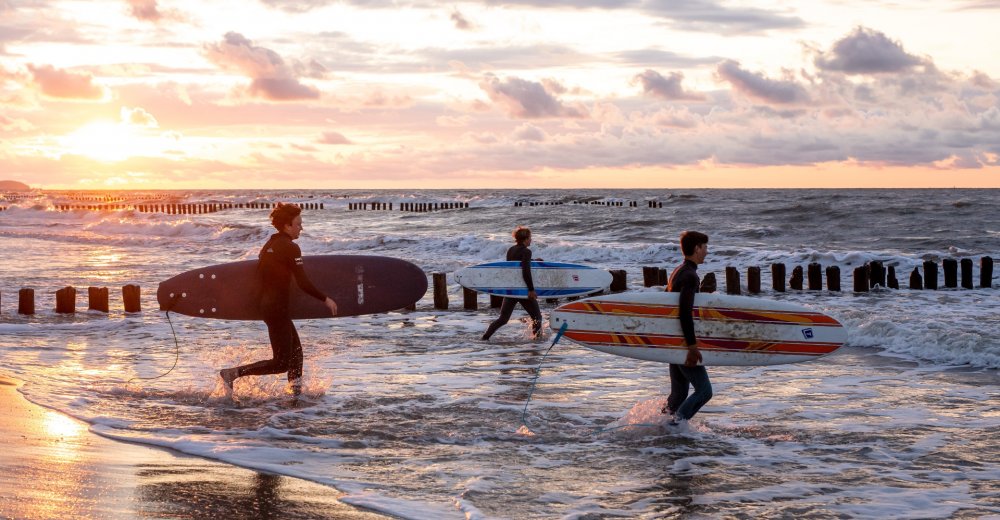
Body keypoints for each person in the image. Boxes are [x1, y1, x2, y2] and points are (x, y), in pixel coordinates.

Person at [220, 203, 338, 397]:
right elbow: (302, 281)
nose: (302, 227)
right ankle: (232, 373)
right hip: (276, 309)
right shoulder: (291, 248)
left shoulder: (269, 245)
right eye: (298, 224)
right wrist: (325, 299)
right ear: (287, 226)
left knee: (296, 355)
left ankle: (295, 395)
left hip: (269, 307)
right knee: (281, 362)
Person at [662, 230, 712, 425]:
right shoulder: (690, 276)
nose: (707, 252)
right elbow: (684, 312)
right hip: (683, 341)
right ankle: (673, 428)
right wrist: (691, 346)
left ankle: (659, 426)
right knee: (704, 391)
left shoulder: (678, 271)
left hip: (675, 339)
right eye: (705, 247)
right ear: (696, 248)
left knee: (679, 394)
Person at [481, 226, 543, 341]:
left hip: (511, 289)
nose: (531, 240)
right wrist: (531, 289)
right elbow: (525, 271)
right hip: (523, 290)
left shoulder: (511, 250)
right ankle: (537, 343)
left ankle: (485, 338)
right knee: (537, 317)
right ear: (525, 239)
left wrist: (534, 261)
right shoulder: (527, 251)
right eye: (530, 238)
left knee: (503, 319)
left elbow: (515, 267)